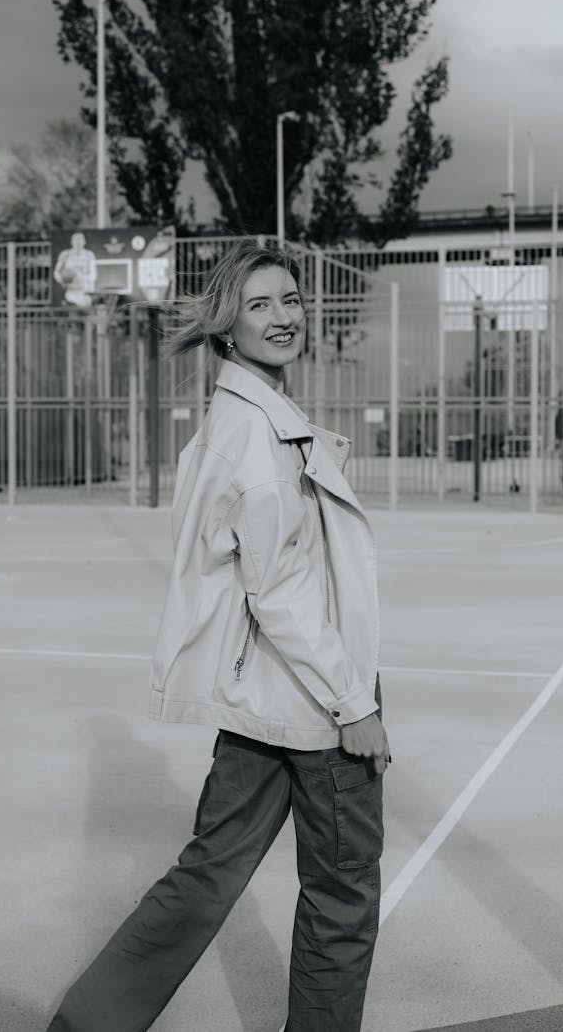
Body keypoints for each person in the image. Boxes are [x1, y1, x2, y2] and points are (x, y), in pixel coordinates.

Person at [46, 239, 389, 1032]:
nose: (283, 317)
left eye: (292, 300)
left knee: (206, 876)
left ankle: (88, 1023)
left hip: (256, 700)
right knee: (343, 898)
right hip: (313, 703)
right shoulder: (259, 440)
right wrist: (353, 704)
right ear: (227, 325)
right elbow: (283, 590)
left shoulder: (232, 421)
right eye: (260, 304)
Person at [53, 232, 98, 308]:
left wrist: (79, 276)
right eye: (75, 240)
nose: (78, 242)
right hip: (70, 292)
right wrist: (62, 280)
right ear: (71, 242)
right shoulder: (65, 254)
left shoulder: (89, 254)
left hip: (85, 291)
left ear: (84, 242)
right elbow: (56, 273)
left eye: (80, 239)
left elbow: (94, 276)